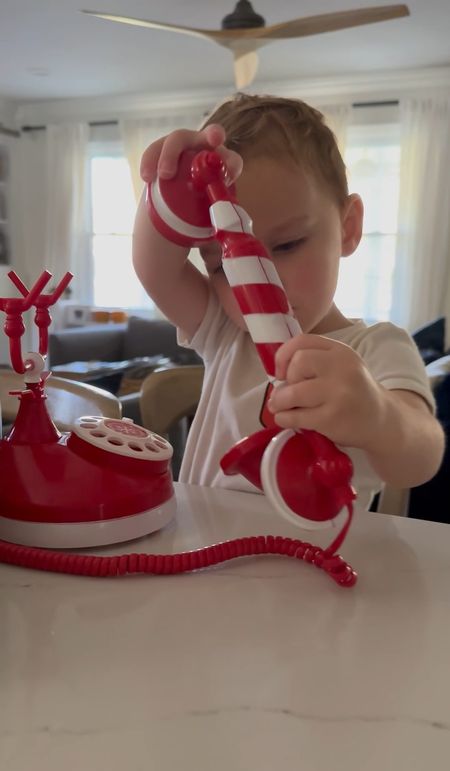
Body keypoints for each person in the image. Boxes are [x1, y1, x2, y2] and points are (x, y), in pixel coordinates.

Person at [133, 93, 444, 509]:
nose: (260, 281)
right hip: (202, 559)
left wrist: (379, 417)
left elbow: (421, 457)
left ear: (348, 229)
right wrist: (165, 186)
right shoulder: (226, 333)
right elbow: (155, 268)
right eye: (224, 267)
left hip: (315, 565)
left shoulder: (377, 348)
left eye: (288, 245)